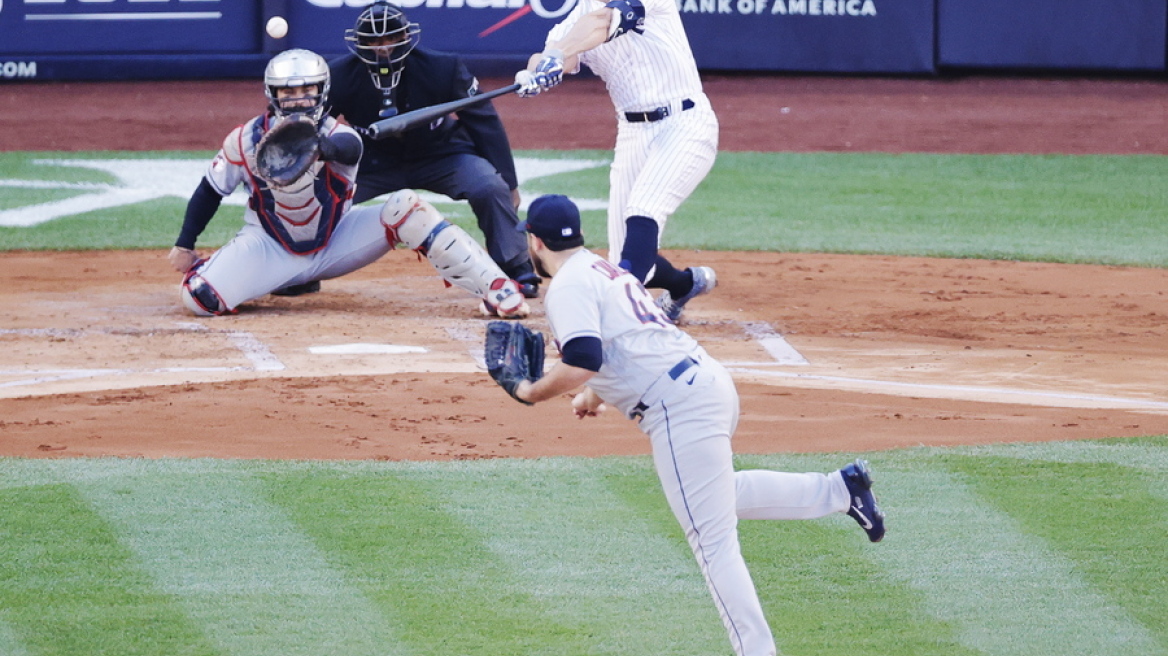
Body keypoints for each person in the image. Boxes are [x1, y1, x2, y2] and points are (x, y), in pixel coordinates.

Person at [503, 194, 886, 656]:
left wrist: (530, 392)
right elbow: (625, 341)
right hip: (707, 383)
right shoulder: (604, 270)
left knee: (713, 542)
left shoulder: (566, 287)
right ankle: (840, 491)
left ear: (534, 241)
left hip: (679, 407)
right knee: (715, 498)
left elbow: (584, 357)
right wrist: (593, 393)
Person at [167, 48, 529, 319]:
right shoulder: (244, 140)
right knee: (199, 299)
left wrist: (316, 146)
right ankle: (228, 270)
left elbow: (343, 146)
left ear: (322, 92)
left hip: (338, 241)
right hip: (269, 246)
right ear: (272, 95)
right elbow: (209, 191)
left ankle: (497, 287)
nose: (298, 100)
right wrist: (185, 243)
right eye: (287, 93)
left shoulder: (342, 137)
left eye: (306, 91)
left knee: (406, 206)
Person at [514, 0, 718, 321]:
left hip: (685, 122)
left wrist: (557, 53)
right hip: (633, 134)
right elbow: (554, 54)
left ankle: (625, 321)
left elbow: (600, 23)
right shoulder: (571, 23)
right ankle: (684, 284)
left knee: (643, 210)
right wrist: (535, 72)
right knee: (625, 258)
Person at [326, 1, 542, 302]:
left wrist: (510, 181)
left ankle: (516, 269)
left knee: (489, 186)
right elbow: (316, 128)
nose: (383, 48)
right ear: (359, 44)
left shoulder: (444, 68)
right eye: (373, 41)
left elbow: (483, 122)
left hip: (440, 155)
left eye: (390, 38)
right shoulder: (336, 75)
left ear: (406, 36)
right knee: (323, 198)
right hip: (372, 162)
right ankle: (300, 274)